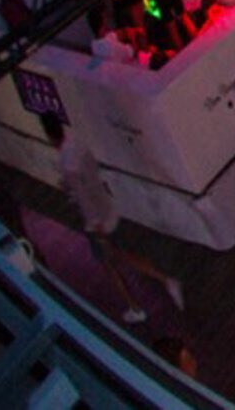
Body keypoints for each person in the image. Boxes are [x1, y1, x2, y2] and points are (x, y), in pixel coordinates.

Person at [42, 113, 181, 324]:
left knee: (111, 265)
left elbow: (83, 198)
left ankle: (136, 306)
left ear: (49, 135)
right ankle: (164, 280)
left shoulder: (67, 164)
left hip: (97, 221)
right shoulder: (78, 145)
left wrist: (96, 227)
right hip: (108, 207)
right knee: (123, 255)